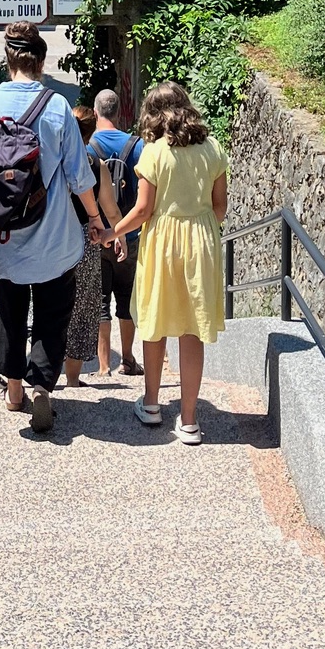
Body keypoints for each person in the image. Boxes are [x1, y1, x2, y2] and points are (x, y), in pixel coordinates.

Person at [0, 22, 110, 433]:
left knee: (9, 312)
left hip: (3, 238)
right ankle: (42, 386)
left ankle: (15, 388)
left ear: (8, 61)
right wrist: (94, 219)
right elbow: (80, 177)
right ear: (40, 62)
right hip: (55, 240)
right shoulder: (57, 108)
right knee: (53, 313)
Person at [107, 80, 227, 445]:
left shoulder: (154, 152)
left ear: (153, 115)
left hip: (161, 241)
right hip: (201, 240)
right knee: (192, 328)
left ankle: (151, 404)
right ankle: (189, 421)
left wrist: (113, 231)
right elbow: (220, 206)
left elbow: (143, 210)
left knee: (155, 320)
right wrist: (198, 227)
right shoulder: (213, 149)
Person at [62, 105, 126, 386]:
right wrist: (119, 236)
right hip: (85, 242)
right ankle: (72, 379)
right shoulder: (95, 165)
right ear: (90, 133)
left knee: (49, 301)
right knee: (82, 308)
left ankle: (44, 374)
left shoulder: (54, 158)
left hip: (52, 238)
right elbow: (110, 209)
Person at [88, 88, 144, 377]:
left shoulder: (88, 147)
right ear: (119, 113)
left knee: (100, 301)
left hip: (97, 234)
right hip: (129, 234)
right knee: (126, 299)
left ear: (95, 113)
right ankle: (128, 359)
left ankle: (103, 365)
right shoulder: (137, 146)